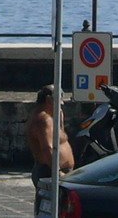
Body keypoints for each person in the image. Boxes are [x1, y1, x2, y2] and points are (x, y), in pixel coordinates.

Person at [26, 84, 75, 213]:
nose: (61, 105)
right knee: (54, 212)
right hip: (50, 171)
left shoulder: (50, 117)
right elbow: (47, 148)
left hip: (55, 170)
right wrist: (57, 172)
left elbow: (59, 140)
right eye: (58, 102)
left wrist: (60, 119)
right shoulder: (43, 120)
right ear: (48, 100)